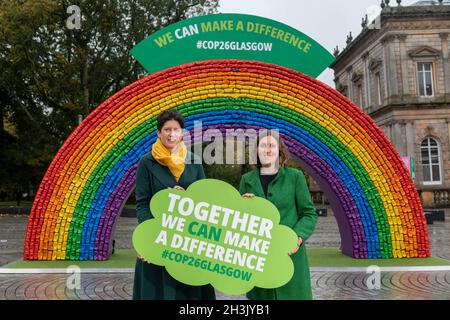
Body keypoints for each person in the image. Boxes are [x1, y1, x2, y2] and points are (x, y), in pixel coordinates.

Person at [132, 109, 216, 300]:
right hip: (159, 238)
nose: (171, 134)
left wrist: (188, 199)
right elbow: (142, 203)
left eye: (175, 129)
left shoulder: (194, 161)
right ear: (159, 133)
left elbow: (204, 199)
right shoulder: (147, 162)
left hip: (188, 240)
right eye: (167, 129)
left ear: (182, 133)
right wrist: (149, 236)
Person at [239, 131, 318, 300]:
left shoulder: (295, 177)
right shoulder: (246, 180)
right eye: (263, 146)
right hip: (258, 260)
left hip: (291, 258)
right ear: (257, 151)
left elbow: (308, 213)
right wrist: (243, 206)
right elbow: (239, 221)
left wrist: (297, 237)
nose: (267, 150)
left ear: (279, 151)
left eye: (271, 146)